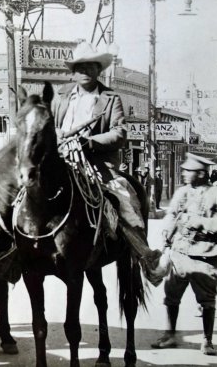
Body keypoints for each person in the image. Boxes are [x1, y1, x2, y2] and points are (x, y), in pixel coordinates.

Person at [50, 42, 166, 285]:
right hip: (61, 160)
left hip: (97, 166)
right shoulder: (60, 96)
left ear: (98, 69)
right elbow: (49, 125)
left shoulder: (110, 98)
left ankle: (145, 257)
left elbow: (119, 132)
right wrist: (56, 134)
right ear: (73, 71)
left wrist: (90, 142)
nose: (85, 71)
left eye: (91, 66)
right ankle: (11, 252)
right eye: (80, 67)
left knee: (125, 202)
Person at [151, 153, 217, 355]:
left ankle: (207, 340)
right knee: (171, 297)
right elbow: (172, 214)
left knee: (207, 300)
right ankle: (169, 335)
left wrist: (203, 223)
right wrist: (167, 230)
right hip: (180, 253)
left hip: (205, 255)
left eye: (188, 171)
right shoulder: (182, 193)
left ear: (201, 173)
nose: (184, 174)